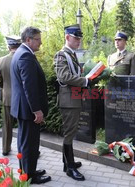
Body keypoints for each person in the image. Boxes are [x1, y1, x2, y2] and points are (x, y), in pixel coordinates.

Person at [10, 26, 51, 184]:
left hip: (23, 108)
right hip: (29, 110)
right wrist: (37, 110)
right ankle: (30, 177)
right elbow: (29, 87)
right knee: (29, 143)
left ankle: (27, 170)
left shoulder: (21, 53)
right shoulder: (25, 56)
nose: (40, 43)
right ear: (28, 40)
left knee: (25, 142)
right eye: (38, 39)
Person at [54, 24, 92, 181]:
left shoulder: (73, 55)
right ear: (67, 37)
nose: (78, 41)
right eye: (76, 38)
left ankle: (67, 162)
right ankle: (70, 168)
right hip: (68, 100)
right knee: (69, 133)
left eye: (79, 38)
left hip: (74, 99)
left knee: (71, 132)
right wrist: (86, 81)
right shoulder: (61, 55)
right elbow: (64, 77)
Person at [0, 36, 21, 156]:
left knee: (7, 125)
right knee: (23, 126)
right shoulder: (23, 58)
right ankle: (23, 150)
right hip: (21, 98)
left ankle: (5, 149)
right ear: (19, 45)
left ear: (9, 46)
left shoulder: (1, 61)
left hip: (7, 96)